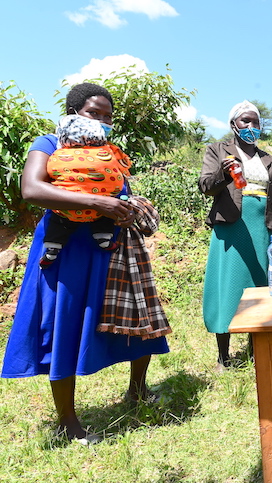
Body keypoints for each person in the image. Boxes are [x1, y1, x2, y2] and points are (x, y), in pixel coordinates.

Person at [1, 82, 169, 444]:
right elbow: (32, 189)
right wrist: (101, 205)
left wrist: (125, 208)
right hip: (66, 250)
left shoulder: (110, 151)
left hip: (112, 246)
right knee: (66, 322)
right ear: (74, 110)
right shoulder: (49, 143)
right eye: (96, 113)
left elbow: (117, 188)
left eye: (109, 116)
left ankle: (137, 390)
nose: (104, 121)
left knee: (137, 317)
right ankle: (67, 420)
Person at [199, 100, 272, 371]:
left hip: (262, 227)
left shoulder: (268, 159)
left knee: (259, 284)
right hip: (232, 227)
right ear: (233, 124)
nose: (251, 126)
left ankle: (254, 348)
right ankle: (224, 355)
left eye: (255, 122)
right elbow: (206, 186)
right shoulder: (217, 151)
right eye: (245, 121)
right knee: (228, 285)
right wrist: (223, 174)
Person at [40, 114, 132, 268]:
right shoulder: (108, 153)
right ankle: (103, 238)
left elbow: (51, 172)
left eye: (108, 115)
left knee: (58, 220)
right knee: (107, 210)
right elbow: (121, 174)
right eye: (94, 113)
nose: (101, 120)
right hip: (101, 212)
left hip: (67, 209)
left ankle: (53, 247)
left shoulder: (58, 154)